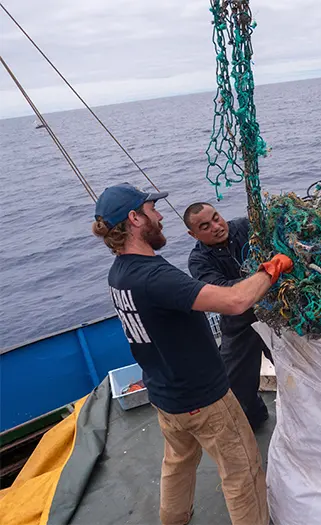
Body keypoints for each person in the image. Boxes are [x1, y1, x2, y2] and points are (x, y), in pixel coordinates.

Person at [92, 183, 292, 525]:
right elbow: (236, 301)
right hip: (203, 398)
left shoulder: (118, 274)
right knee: (241, 471)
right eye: (152, 209)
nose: (159, 216)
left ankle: (174, 519)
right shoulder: (153, 276)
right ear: (135, 218)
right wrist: (272, 268)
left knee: (178, 461)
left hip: (164, 395)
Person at [186, 202, 271, 432]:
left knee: (296, 367)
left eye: (216, 217)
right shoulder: (198, 261)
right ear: (192, 234)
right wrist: (262, 277)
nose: (216, 226)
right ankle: (255, 420)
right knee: (234, 387)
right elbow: (222, 291)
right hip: (239, 323)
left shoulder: (245, 227)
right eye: (205, 226)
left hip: (275, 315)